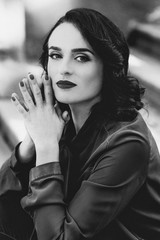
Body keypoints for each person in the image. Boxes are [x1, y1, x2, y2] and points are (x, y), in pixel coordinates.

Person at [0, 7, 160, 240]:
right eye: (55, 55)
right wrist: (28, 147)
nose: (64, 68)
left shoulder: (128, 142)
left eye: (81, 57)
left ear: (108, 67)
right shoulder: (62, 117)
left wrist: (46, 148)